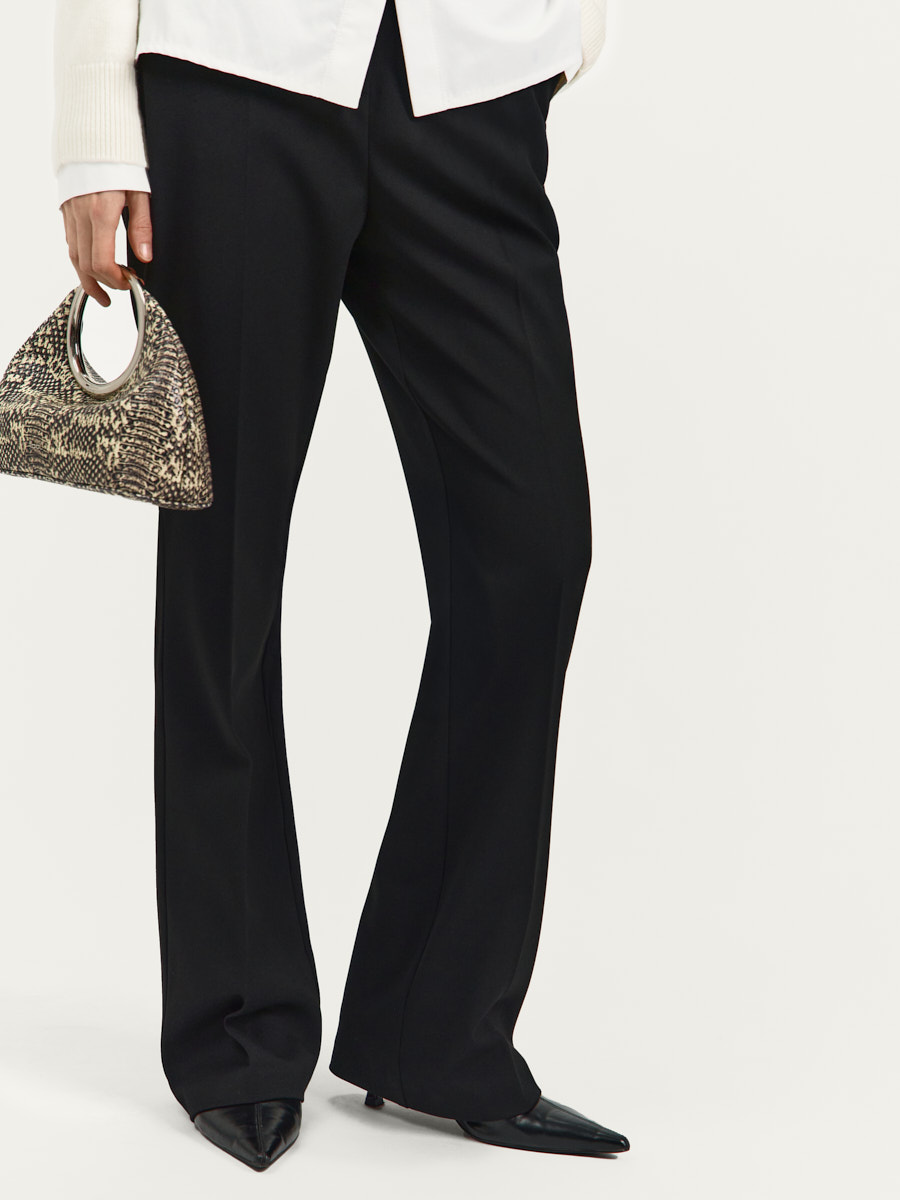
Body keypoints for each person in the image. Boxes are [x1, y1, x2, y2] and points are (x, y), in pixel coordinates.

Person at [52, 0, 630, 1172]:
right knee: (226, 563)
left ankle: (436, 1032)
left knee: (531, 551)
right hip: (238, 79)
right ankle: (238, 1035)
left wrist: (568, 25)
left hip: (471, 82)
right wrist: (96, 126)